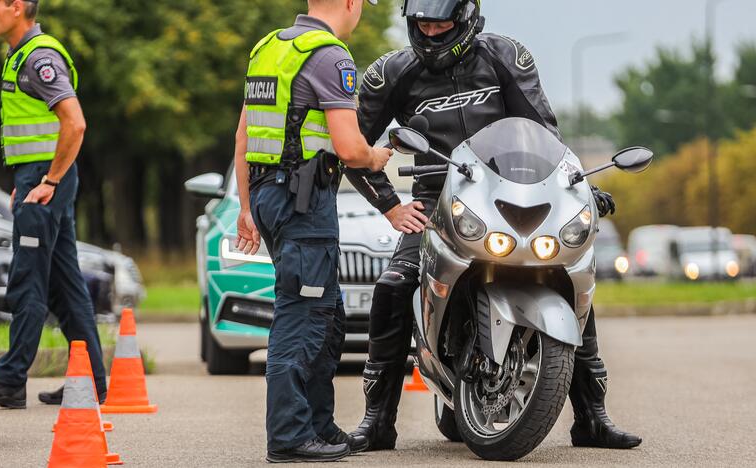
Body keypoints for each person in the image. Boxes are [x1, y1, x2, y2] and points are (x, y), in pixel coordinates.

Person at [345, 0, 641, 451]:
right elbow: (352, 149)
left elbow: (544, 131)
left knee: (568, 275)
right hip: (434, 198)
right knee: (393, 284)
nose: (430, 29)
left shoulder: (504, 56)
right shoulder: (392, 73)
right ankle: (378, 421)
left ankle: (592, 418)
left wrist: (576, 189)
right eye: (422, 21)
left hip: (511, 193)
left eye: (441, 20)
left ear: (466, 17)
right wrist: (390, 205)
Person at [233, 0, 391, 462]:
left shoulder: (269, 48)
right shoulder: (330, 55)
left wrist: (246, 207)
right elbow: (348, 146)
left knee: (326, 312)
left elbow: (243, 137)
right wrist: (375, 156)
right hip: (303, 202)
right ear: (350, 3)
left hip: (270, 195)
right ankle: (289, 435)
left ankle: (319, 426)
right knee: (302, 316)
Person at [0, 0, 106, 409]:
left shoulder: (38, 57)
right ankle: (91, 380)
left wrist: (48, 181)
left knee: (28, 280)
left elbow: (74, 123)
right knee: (65, 284)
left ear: (17, 7)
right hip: (39, 180)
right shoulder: (19, 55)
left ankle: (9, 380)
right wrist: (30, 181)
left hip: (46, 182)